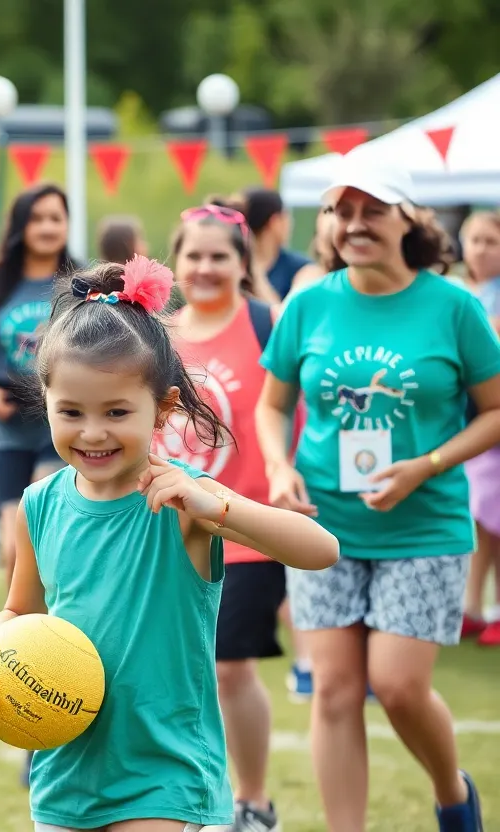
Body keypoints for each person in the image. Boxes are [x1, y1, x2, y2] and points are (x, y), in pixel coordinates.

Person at [0, 256, 339, 832]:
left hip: (166, 775)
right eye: (71, 412)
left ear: (163, 408)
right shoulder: (38, 505)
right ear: (46, 401)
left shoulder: (184, 501)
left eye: (116, 411)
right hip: (64, 772)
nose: (93, 431)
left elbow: (320, 550)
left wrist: (219, 505)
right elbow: (19, 609)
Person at [255, 156, 498, 832]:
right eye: (341, 211)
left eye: (372, 210)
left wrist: (428, 463)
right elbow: (271, 406)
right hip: (323, 524)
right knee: (333, 689)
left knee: (396, 685)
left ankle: (453, 793)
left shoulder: (454, 306)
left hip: (425, 525)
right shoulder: (309, 304)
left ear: (407, 219)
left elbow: (495, 409)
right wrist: (278, 467)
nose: (354, 225)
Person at [157, 205, 287, 831]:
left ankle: (254, 804)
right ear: (176, 262)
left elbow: (293, 407)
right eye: (195, 256)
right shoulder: (155, 335)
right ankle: (180, 799)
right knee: (175, 670)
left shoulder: (268, 321)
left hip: (245, 523)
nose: (206, 267)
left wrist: (291, 474)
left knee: (230, 668)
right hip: (165, 532)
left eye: (221, 256)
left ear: (243, 264)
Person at [0, 184, 76, 586]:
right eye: (37, 218)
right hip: (7, 425)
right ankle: (21, 632)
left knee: (40, 533)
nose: (46, 227)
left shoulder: (79, 285)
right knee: (12, 543)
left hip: (57, 423)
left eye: (55, 218)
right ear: (21, 226)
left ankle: (54, 625)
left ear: (67, 225)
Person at [458, 209, 500, 645]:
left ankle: (489, 608)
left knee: (493, 520)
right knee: (483, 522)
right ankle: (473, 606)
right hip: (467, 425)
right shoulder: (463, 292)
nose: (482, 249)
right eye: (475, 240)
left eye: (491, 241)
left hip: (491, 426)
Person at [239, 187, 310, 301]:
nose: (291, 224)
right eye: (286, 217)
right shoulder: (299, 267)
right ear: (275, 221)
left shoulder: (301, 268)